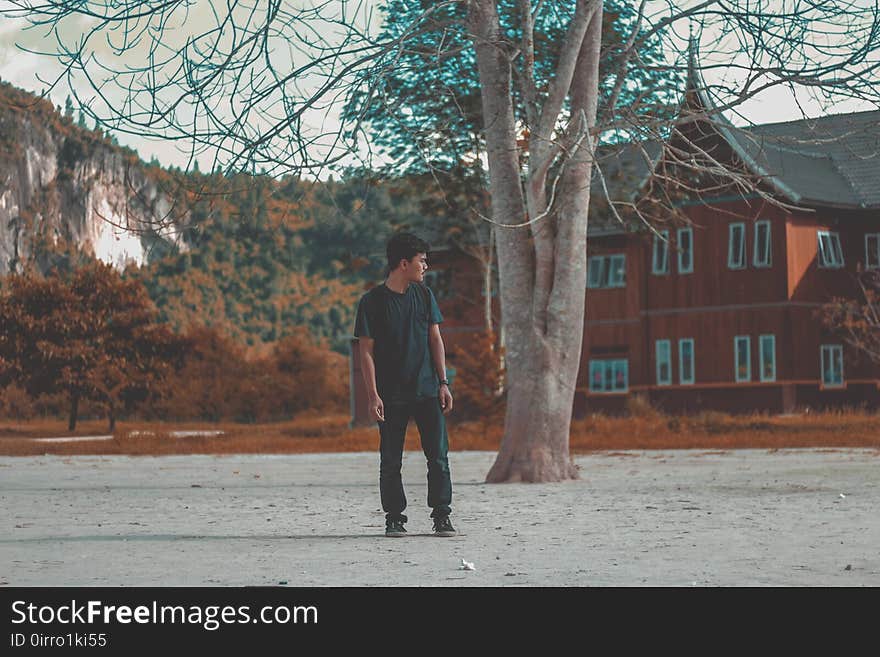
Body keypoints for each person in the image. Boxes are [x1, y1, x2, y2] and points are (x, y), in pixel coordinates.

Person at [354, 232, 456, 538]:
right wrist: (373, 396)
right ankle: (394, 518)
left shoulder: (424, 296)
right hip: (391, 394)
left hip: (427, 390)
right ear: (403, 263)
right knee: (391, 461)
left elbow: (435, 339)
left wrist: (443, 382)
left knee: (438, 457)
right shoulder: (372, 302)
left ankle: (441, 516)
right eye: (421, 261)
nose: (425, 267)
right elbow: (366, 352)